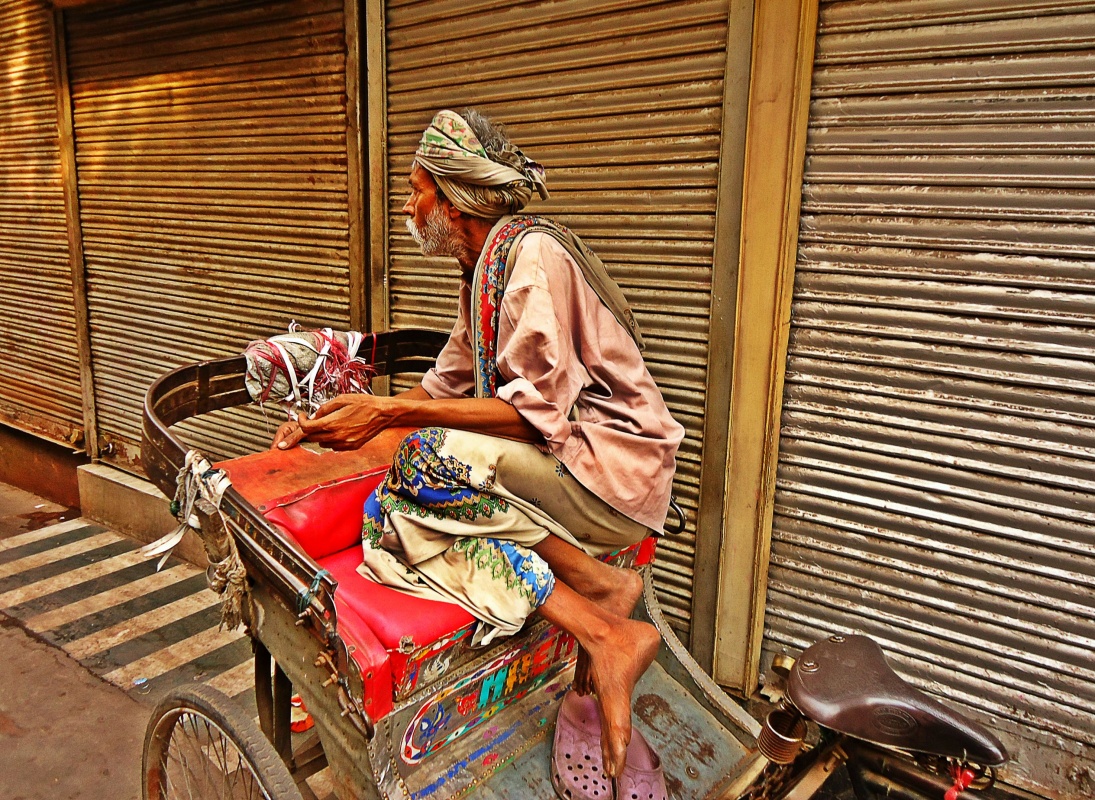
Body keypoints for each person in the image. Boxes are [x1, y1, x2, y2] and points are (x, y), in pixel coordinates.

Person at [272, 108, 684, 781]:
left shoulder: (531, 260)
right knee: (392, 518)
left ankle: (603, 610)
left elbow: (534, 419)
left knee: (423, 461)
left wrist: (388, 412)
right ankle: (601, 605)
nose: (407, 207)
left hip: (608, 476)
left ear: (453, 200)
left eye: (416, 190)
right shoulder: (484, 271)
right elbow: (443, 388)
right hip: (565, 468)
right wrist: (333, 431)